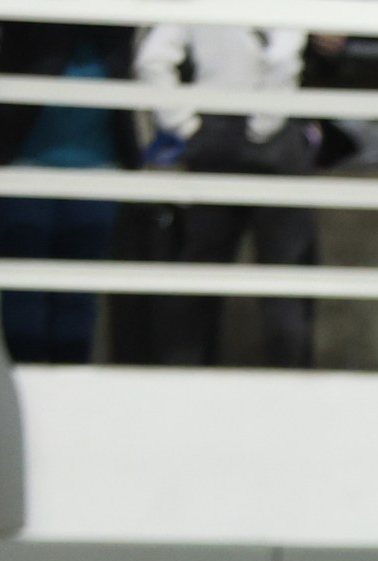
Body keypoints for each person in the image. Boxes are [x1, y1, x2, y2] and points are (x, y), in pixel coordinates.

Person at [134, 21, 319, 367]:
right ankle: (291, 386)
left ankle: (183, 379)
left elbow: (152, 59)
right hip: (274, 136)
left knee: (201, 274)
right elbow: (283, 56)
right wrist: (265, 122)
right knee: (285, 278)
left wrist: (182, 124)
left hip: (214, 130)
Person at [0, 21, 140, 364]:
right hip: (22, 171)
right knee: (23, 289)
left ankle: (70, 382)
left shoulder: (117, 32)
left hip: (96, 175)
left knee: (78, 294)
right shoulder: (30, 27)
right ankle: (24, 379)